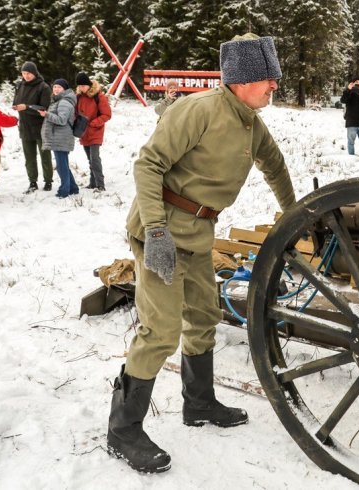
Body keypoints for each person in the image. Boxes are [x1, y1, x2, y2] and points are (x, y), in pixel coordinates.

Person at [107, 33, 296, 474]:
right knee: (161, 330)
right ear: (242, 79)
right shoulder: (199, 111)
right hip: (162, 230)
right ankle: (122, 428)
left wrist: (296, 215)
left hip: (198, 232)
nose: (274, 85)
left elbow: (275, 165)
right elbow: (148, 164)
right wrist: (154, 232)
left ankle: (199, 403)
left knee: (204, 317)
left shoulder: (250, 120)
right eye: (268, 78)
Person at [12, 61, 53, 193]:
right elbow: (17, 102)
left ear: (34, 73)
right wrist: (16, 106)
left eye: (28, 73)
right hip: (25, 126)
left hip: (40, 127)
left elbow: (45, 108)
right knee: (29, 157)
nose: (26, 76)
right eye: (24, 73)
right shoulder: (19, 85)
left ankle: (48, 181)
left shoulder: (43, 87)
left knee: (45, 156)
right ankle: (32, 182)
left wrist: (27, 107)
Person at [40, 79, 79, 198]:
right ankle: (73, 188)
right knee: (63, 165)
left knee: (61, 166)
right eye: (55, 87)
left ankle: (64, 191)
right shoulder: (59, 100)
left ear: (65, 89)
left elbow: (61, 120)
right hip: (58, 137)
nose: (56, 89)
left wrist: (46, 114)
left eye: (59, 87)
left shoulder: (64, 102)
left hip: (61, 138)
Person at [75, 72, 112, 191]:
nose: (81, 88)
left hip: (96, 131)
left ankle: (100, 184)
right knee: (90, 159)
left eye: (83, 86)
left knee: (95, 158)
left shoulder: (98, 96)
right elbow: (76, 113)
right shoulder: (79, 97)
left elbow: (107, 114)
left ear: (88, 85)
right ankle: (93, 182)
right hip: (84, 132)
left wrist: (93, 123)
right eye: (79, 86)